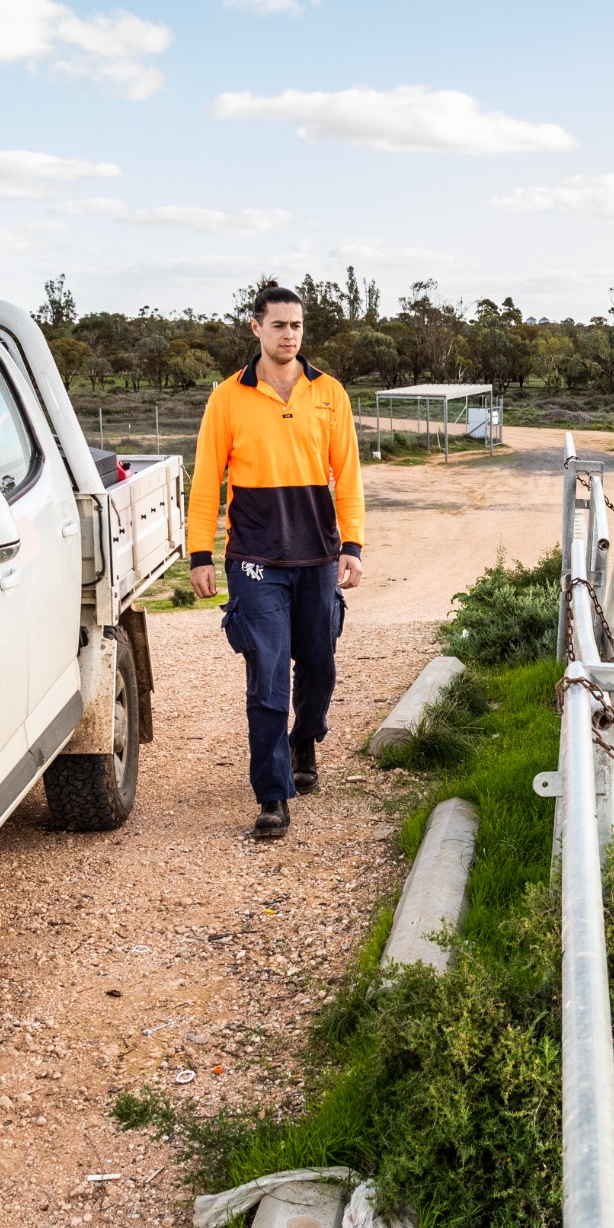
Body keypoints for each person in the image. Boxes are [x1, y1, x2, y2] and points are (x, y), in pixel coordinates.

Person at [186, 285, 365, 839]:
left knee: (319, 664)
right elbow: (206, 480)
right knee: (267, 671)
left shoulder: (329, 393)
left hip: (318, 555)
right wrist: (200, 554)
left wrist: (352, 546)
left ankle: (305, 739)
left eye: (297, 325)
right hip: (254, 557)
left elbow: (349, 475)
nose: (290, 335)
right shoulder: (227, 398)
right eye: (279, 325)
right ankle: (272, 794)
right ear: (256, 327)